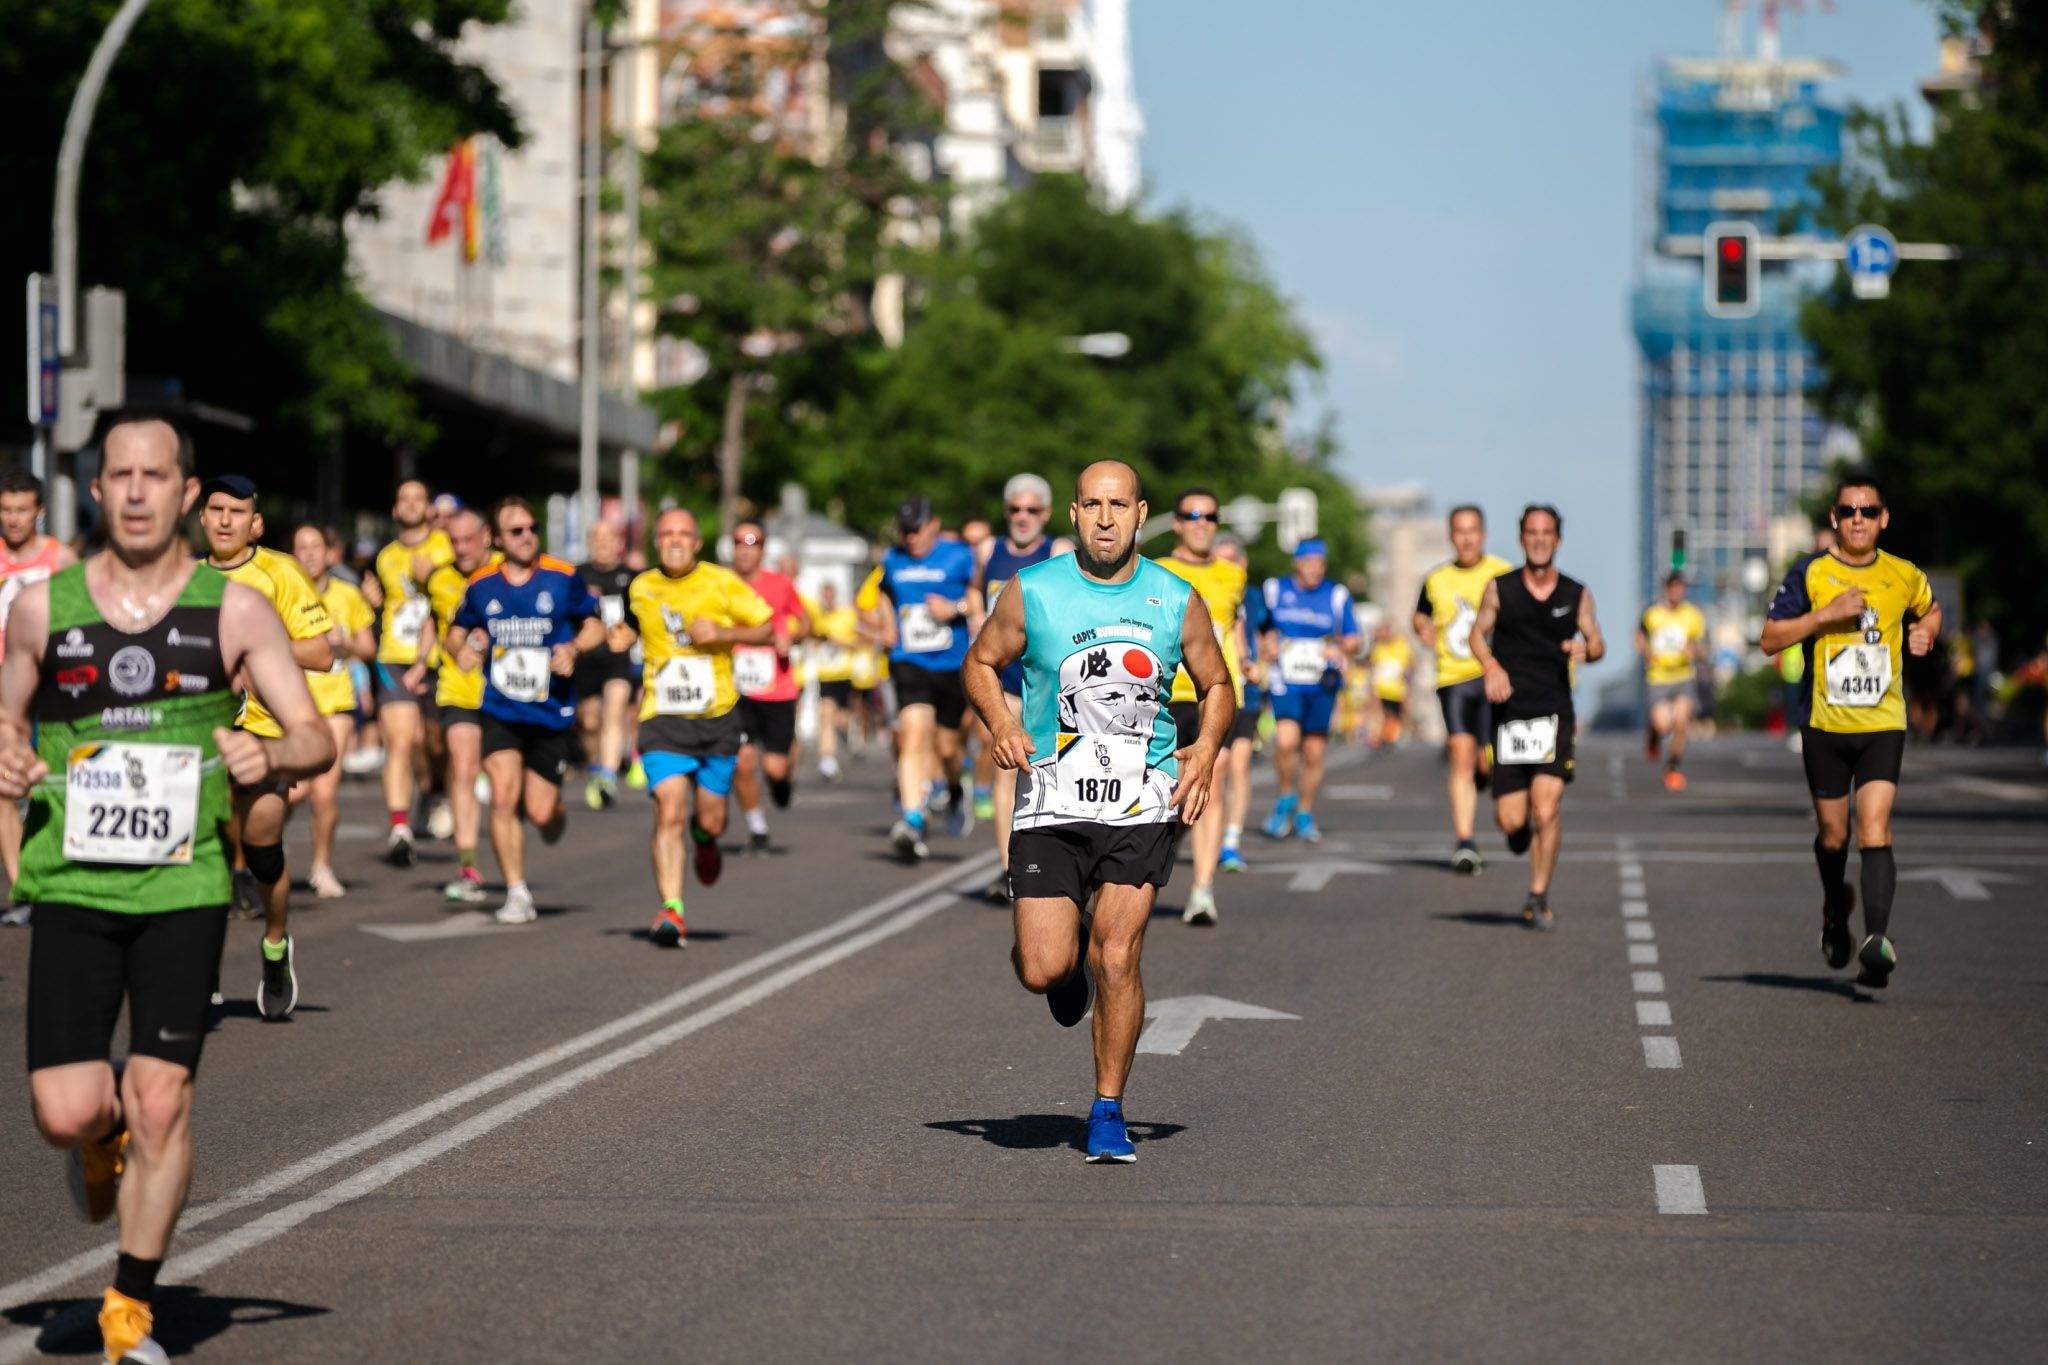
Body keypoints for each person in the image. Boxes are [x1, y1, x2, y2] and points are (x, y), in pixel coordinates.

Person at [2, 414, 333, 1365]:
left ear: (187, 492)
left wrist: (265, 746)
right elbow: (5, 719)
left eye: (158, 474)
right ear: (96, 490)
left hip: (183, 883)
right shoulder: (42, 608)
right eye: (121, 474)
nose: (139, 490)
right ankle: (97, 1141)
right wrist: (12, 758)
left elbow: (317, 736)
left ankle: (129, 1307)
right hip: (72, 878)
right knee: (67, 1110)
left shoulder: (234, 611)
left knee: (162, 1102)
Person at [964, 461, 1232, 1163]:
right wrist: (999, 722)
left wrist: (1204, 750)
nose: (1106, 518)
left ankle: (1108, 1107)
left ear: (1142, 513)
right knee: (1042, 969)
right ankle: (1062, 960)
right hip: (1052, 798)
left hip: (1143, 799)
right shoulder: (1033, 590)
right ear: (1074, 515)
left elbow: (1217, 683)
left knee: (1119, 953)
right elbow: (980, 662)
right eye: (1092, 504)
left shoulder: (1176, 598)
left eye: (1119, 505)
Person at [1761, 473, 1940, 988]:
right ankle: (1835, 912)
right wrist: (1825, 616)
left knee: (1876, 826)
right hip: (1826, 727)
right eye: (1848, 512)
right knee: (1834, 834)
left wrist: (1926, 629)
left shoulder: (1903, 574)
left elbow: (1931, 610)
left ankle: (1876, 942)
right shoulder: (1811, 573)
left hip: (1883, 722)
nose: (1857, 520)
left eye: (1867, 511)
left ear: (1883, 518)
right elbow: (1770, 639)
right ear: (1833, 520)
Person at [199, 475, 334, 1020]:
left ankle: (275, 945)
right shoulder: (182, 577)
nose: (225, 520)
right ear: (202, 516)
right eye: (216, 509)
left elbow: (322, 653)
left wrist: (257, 655)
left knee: (261, 850)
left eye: (237, 512)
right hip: (203, 735)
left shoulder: (280, 572)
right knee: (201, 853)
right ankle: (198, 966)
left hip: (266, 735)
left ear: (255, 523)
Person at [623, 508, 773, 946]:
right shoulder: (642, 587)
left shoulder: (721, 582)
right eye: (665, 533)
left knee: (711, 818)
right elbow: (630, 629)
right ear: (656, 541)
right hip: (662, 718)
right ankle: (672, 909)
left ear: (696, 542)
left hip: (716, 720)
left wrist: (724, 633)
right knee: (668, 810)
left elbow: (766, 628)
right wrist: (616, 638)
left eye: (683, 534)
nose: (673, 540)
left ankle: (705, 840)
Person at [449, 498, 604, 924]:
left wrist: (573, 647)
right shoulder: (482, 585)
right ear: (497, 539)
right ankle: (517, 892)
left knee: (540, 813)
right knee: (501, 795)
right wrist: (470, 647)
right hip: (500, 707)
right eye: (515, 530)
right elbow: (456, 636)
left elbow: (595, 625)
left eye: (532, 527)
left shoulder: (562, 577)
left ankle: (555, 812)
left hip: (550, 711)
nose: (527, 535)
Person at [1470, 505, 1603, 930]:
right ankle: (1521, 836)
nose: (1540, 539)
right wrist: (1491, 666)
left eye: (1547, 532)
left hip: (1554, 713)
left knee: (1545, 810)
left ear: (1558, 540)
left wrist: (1587, 649)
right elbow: (1476, 633)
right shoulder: (1499, 589)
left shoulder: (1575, 593)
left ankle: (1538, 895)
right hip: (1509, 715)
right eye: (1532, 532)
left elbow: (1597, 640)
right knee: (1512, 821)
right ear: (1521, 538)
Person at [972, 474, 1072, 902]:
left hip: (1050, 684)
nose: (1022, 518)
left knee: (1055, 772)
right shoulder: (988, 551)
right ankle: (1008, 868)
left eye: (1032, 510)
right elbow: (974, 596)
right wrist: (973, 616)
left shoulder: (1059, 552)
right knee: (1005, 771)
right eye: (1015, 509)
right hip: (1006, 682)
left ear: (1046, 514)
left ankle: (1056, 860)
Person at [1153, 486, 1247, 926]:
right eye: (1192, 515)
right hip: (1169, 695)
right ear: (1176, 523)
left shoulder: (1233, 574)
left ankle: (1203, 890)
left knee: (1214, 775)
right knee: (1168, 791)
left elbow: (1233, 626)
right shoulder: (1157, 571)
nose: (1201, 523)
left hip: (1217, 693)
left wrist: (1245, 663)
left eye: (1210, 516)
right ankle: (1162, 850)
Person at [875, 498, 981, 861]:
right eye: (905, 531)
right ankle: (913, 818)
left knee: (948, 748)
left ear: (933, 524)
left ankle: (955, 788)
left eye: (917, 529)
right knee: (913, 735)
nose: (911, 537)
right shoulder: (892, 559)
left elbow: (978, 600)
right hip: (910, 661)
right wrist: (887, 626)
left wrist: (955, 609)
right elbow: (884, 594)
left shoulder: (960, 556)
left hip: (952, 665)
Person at [1414, 505, 1512, 874]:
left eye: (1473, 530)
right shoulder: (1436, 579)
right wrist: (1422, 628)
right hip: (1453, 677)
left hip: (1492, 675)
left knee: (1485, 759)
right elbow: (1419, 615)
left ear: (1483, 535)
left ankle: (1484, 773)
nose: (1467, 538)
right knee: (1460, 751)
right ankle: (1465, 839)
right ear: (1451, 536)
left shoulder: (1501, 573)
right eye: (1459, 531)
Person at [0, 469, 76, 926]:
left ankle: (58, 880)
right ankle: (22, 888)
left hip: (50, 687)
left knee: (52, 785)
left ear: (39, 512)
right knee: (3, 787)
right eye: (5, 510)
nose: (12, 519)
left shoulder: (60, 560)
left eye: (21, 510)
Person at [289, 524, 377, 900]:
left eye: (315, 547)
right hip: (291, 704)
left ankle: (321, 866)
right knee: (291, 794)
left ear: (329, 553)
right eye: (301, 547)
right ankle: (260, 857)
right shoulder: (282, 595)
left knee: (324, 794)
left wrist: (347, 642)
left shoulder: (347, 594)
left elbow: (369, 649)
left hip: (336, 704)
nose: (309, 554)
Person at [371, 480, 454, 866]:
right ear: (395, 510)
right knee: (400, 741)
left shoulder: (445, 547)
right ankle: (400, 827)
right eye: (402, 498)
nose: (409, 504)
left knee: (435, 743)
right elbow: (380, 601)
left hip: (439, 658)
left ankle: (435, 790)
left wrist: (434, 574)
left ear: (428, 509)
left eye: (417, 498)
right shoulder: (385, 557)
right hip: (394, 655)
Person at [1257, 539, 1361, 844]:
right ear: (1297, 563)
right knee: (1287, 740)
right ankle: (1286, 794)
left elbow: (1354, 639)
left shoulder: (1337, 594)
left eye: (1320, 562)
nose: (1314, 567)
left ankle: (1304, 811)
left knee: (1314, 753)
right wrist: (1268, 643)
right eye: (1308, 561)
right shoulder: (1276, 590)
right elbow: (1260, 628)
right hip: (1286, 679)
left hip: (1322, 682)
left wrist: (1338, 648)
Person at [423, 508, 498, 902]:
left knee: (510, 790)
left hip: (508, 694)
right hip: (457, 689)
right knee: (464, 768)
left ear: (487, 536)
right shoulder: (439, 578)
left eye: (469, 539)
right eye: (454, 541)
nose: (462, 548)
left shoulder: (510, 571)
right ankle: (467, 865)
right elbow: (430, 621)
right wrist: (424, 660)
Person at [728, 520, 812, 852]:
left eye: (753, 544)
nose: (746, 551)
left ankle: (783, 780)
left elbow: (806, 623)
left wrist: (789, 634)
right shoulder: (721, 584)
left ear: (762, 550)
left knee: (773, 767)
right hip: (736, 689)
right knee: (742, 760)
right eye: (739, 544)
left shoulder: (780, 585)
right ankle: (757, 827)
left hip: (777, 687)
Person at [575, 520, 641, 811]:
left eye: (609, 537)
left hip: (617, 656)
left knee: (615, 710)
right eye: (597, 538)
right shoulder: (577, 575)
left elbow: (641, 617)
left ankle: (608, 774)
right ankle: (595, 766)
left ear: (619, 543)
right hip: (587, 657)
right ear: (591, 542)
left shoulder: (632, 577)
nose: (603, 543)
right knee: (589, 721)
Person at [1216, 535, 1262, 872]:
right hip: (1212, 691)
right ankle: (1208, 833)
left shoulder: (1256, 596)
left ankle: (1231, 840)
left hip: (1247, 690)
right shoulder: (1202, 591)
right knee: (1216, 765)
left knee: (1239, 764)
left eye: (1231, 559)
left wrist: (1262, 657)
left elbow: (1269, 631)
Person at [1638, 571, 1707, 791]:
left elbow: (1702, 648)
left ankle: (1673, 768)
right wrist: (1647, 652)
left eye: (1680, 587)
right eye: (1673, 587)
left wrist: (1693, 650)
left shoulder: (1693, 616)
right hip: (1658, 677)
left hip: (1683, 676)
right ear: (1666, 588)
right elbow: (1638, 636)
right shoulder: (1652, 614)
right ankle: (1654, 735)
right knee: (1663, 723)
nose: (1676, 591)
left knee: (1681, 721)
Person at [809, 580, 859, 781]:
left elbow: (859, 639)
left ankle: (847, 734)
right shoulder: (818, 617)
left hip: (844, 673)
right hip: (826, 674)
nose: (827, 599)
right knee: (826, 715)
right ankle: (827, 760)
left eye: (830, 595)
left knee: (841, 719)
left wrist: (840, 642)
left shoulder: (847, 615)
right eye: (825, 595)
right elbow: (811, 637)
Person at [1367, 621, 1414, 748]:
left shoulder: (1402, 645)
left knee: (1394, 715)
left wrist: (1408, 689)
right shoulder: (1378, 648)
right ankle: (1381, 738)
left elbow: (1408, 668)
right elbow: (1373, 668)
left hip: (1397, 690)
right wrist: (1371, 688)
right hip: (1381, 690)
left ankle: (1389, 738)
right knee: (1381, 715)